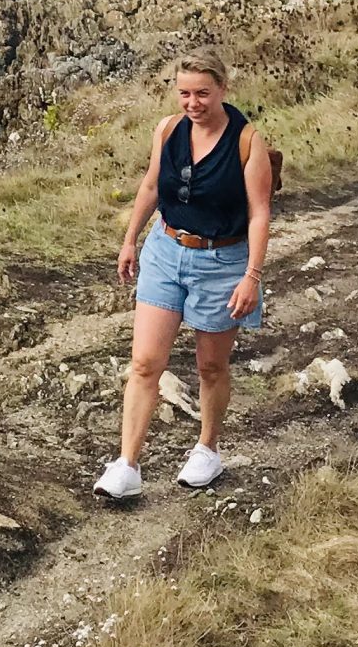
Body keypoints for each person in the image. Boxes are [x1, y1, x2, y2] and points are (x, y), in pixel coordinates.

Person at [94, 49, 274, 502]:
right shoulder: (168, 130)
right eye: (185, 93)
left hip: (222, 261)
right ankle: (127, 465)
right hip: (165, 251)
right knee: (144, 363)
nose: (193, 103)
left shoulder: (247, 142)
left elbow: (259, 212)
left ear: (223, 90)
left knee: (210, 366)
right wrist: (130, 239)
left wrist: (252, 276)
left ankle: (207, 449)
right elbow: (151, 186)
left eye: (202, 94)